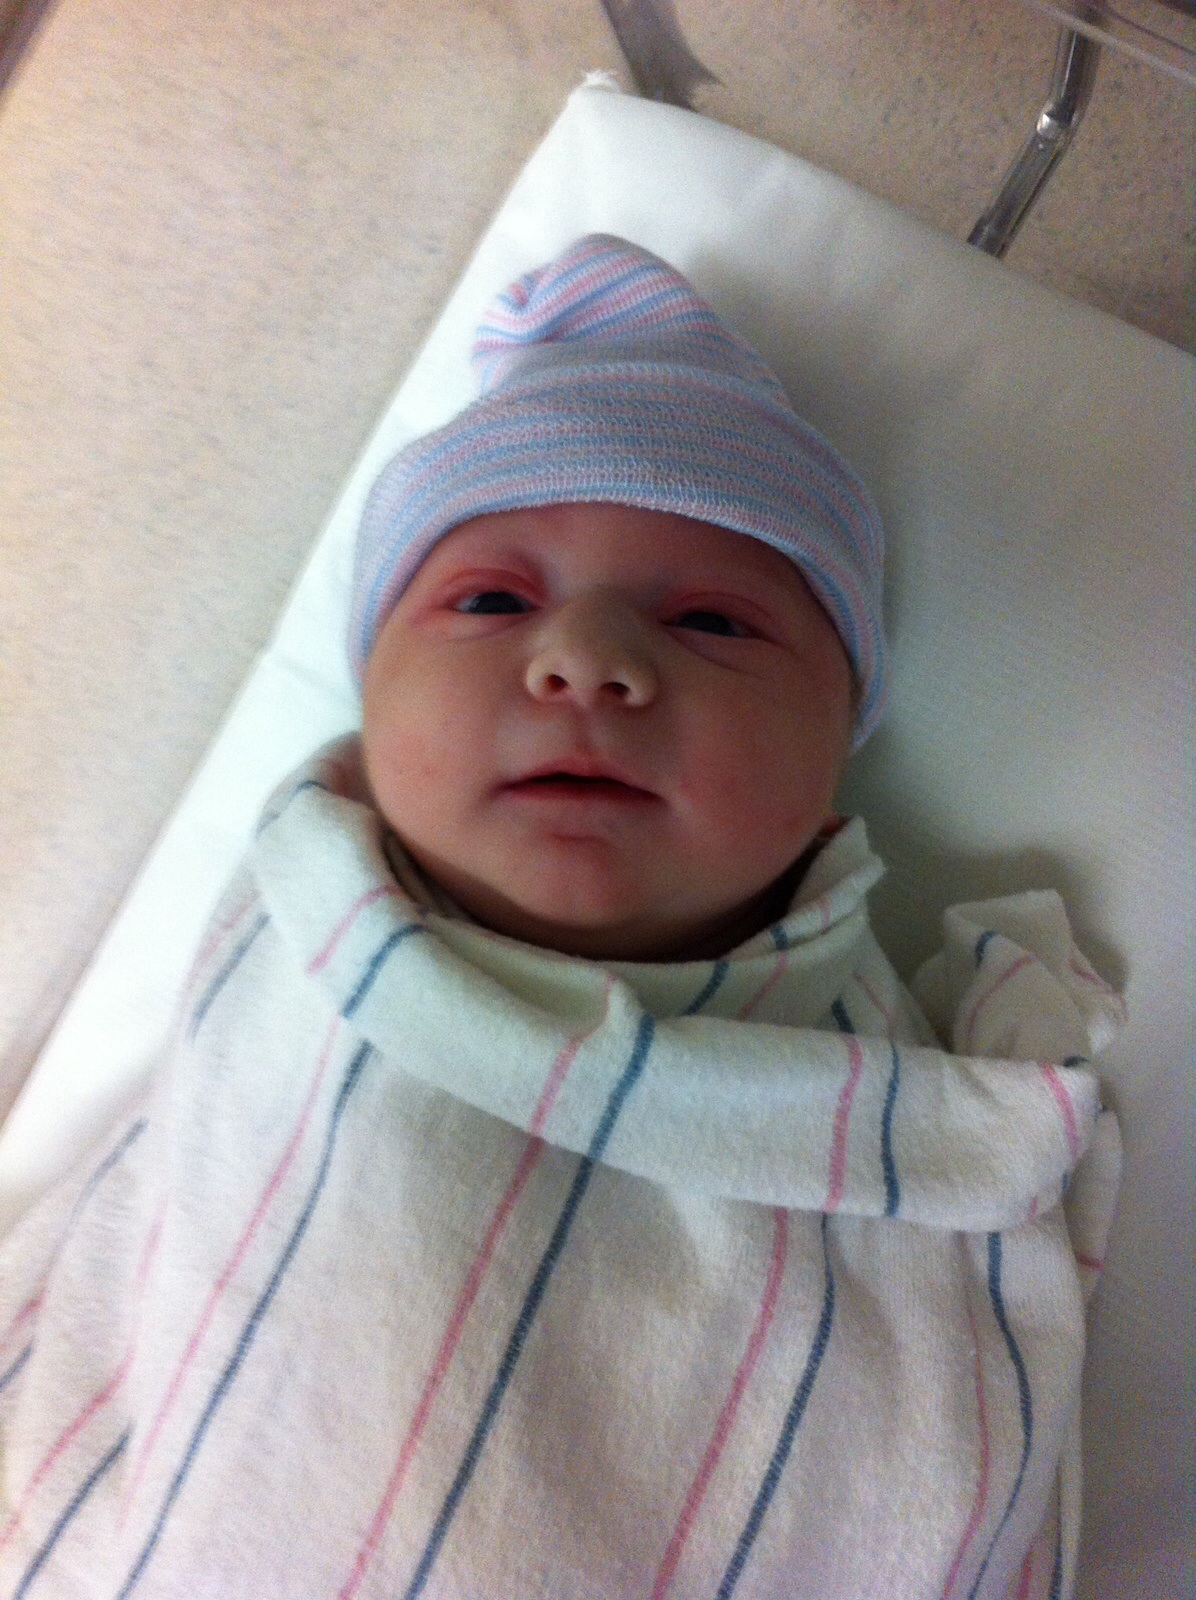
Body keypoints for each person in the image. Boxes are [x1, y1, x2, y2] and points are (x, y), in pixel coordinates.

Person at [0, 235, 1122, 1600]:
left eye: (714, 623)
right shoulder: (295, 925)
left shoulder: (913, 1119)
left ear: (838, 752)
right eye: (490, 600)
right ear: (369, 697)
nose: (588, 658)